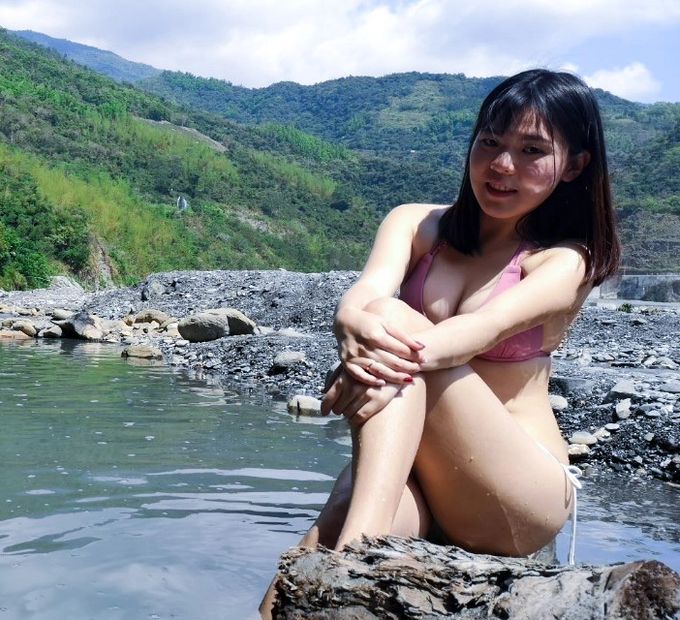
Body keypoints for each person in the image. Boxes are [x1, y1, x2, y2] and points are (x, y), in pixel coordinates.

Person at [259, 68, 620, 618]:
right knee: (321, 536)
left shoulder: (566, 260)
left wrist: (359, 365)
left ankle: (352, 562)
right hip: (422, 475)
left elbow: (473, 334)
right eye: (490, 142)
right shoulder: (414, 223)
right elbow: (363, 297)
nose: (501, 165)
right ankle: (341, 561)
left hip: (515, 490)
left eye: (531, 151)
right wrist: (349, 329)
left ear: (574, 165)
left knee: (395, 322)